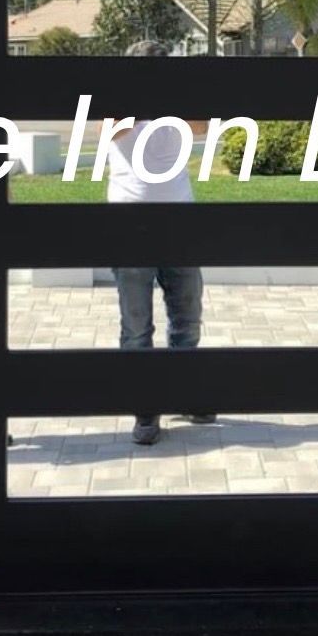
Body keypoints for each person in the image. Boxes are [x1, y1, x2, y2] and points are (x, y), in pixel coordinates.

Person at [110, 40, 214, 446]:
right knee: (136, 326)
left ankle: (183, 393)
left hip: (180, 223)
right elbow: (115, 128)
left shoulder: (180, 105)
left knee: (187, 314)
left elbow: (201, 126)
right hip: (129, 224)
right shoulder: (118, 103)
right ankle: (145, 409)